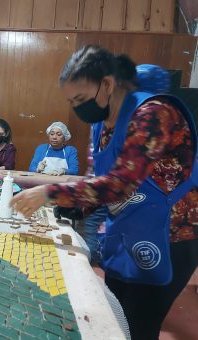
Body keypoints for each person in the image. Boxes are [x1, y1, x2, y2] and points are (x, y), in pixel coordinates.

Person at [11, 45, 198, 340]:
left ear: (107, 84)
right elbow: (98, 179)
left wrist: (50, 192)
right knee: (113, 317)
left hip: (172, 236)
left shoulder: (154, 113)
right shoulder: (101, 124)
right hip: (126, 232)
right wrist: (77, 207)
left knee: (137, 326)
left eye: (81, 98)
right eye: (71, 101)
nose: (77, 107)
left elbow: (122, 182)